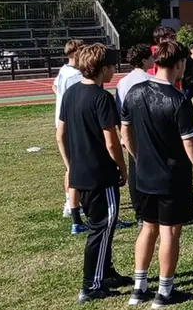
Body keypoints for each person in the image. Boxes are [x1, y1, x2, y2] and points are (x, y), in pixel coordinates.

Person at [121, 41, 193, 308]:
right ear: (180, 64)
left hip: (144, 176)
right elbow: (190, 143)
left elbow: (125, 134)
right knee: (170, 232)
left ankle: (138, 288)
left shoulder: (134, 92)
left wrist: (139, 158)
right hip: (172, 177)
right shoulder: (179, 100)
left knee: (148, 228)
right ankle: (164, 291)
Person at [56, 44, 131, 303]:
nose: (114, 71)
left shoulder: (71, 93)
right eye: (111, 67)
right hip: (100, 175)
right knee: (102, 226)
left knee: (104, 226)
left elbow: (61, 133)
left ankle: (106, 271)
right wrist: (122, 168)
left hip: (80, 173)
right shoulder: (102, 98)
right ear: (102, 69)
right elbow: (112, 142)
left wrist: (70, 163)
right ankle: (91, 285)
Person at [116, 44, 154, 227]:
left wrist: (123, 136)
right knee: (153, 170)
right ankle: (152, 210)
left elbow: (119, 111)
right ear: (145, 60)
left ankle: (139, 213)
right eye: (151, 57)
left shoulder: (122, 82)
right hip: (148, 131)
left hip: (129, 131)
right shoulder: (151, 79)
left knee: (135, 170)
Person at [53, 39, 86, 232]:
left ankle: (69, 201)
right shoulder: (74, 74)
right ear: (75, 53)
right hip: (70, 123)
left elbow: (54, 87)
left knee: (70, 165)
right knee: (72, 166)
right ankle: (71, 204)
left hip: (62, 121)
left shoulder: (63, 70)